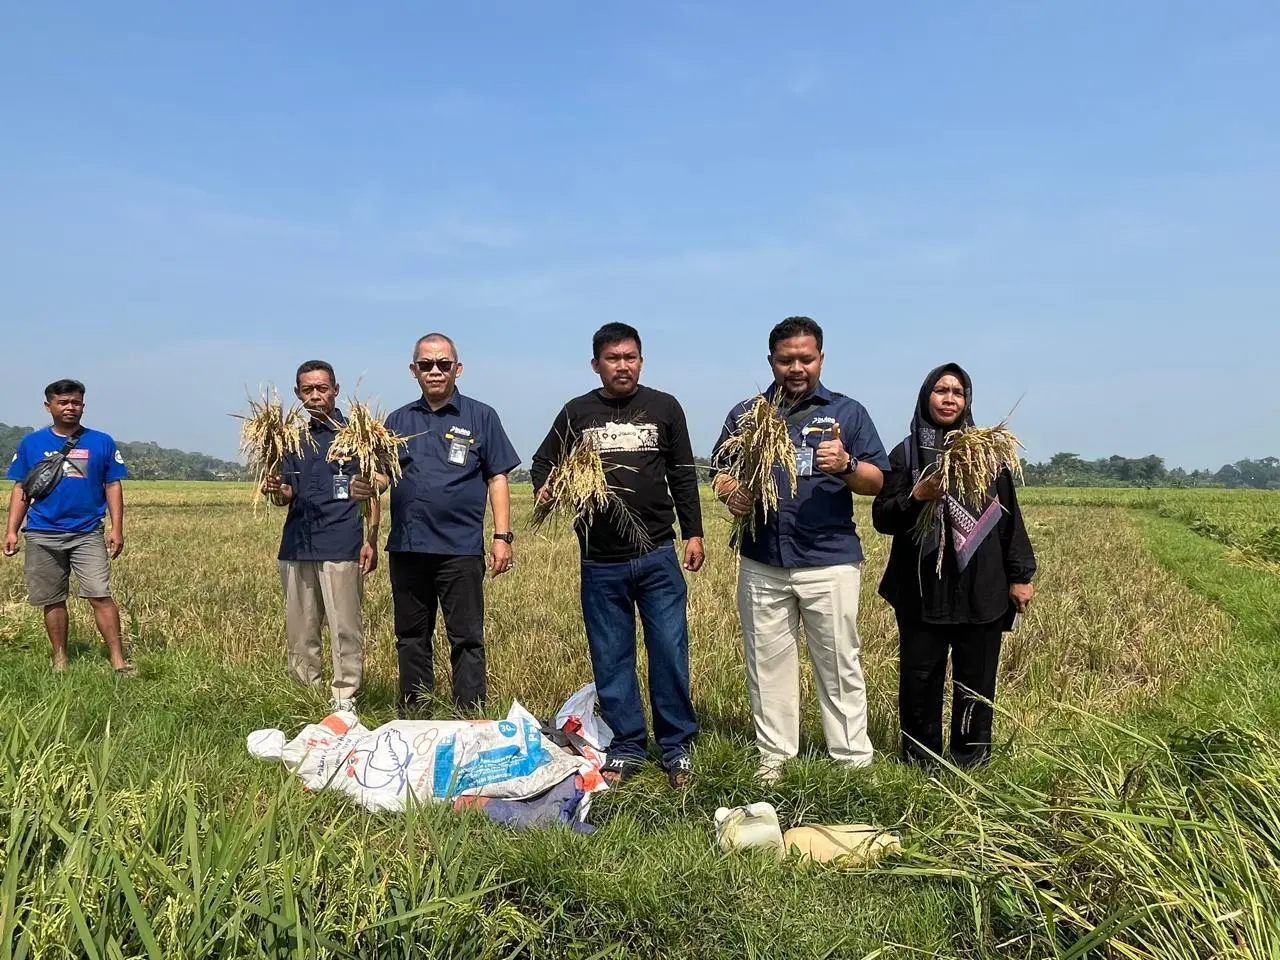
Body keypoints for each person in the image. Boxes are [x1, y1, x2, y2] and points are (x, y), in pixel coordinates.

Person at [711, 316, 889, 781]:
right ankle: (774, 761)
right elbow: (720, 472)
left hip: (828, 559)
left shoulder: (846, 412)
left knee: (839, 663)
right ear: (771, 361)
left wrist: (847, 463)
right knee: (767, 664)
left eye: (805, 359)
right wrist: (731, 493)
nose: (796, 367)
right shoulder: (747, 415)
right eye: (786, 359)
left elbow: (877, 480)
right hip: (762, 559)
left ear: (821, 359)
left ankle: (851, 763)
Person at [531, 322, 705, 790]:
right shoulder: (577, 412)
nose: (622, 366)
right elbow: (543, 462)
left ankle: (677, 745)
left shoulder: (665, 407)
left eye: (630, 357)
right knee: (612, 657)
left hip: (657, 553)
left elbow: (683, 473)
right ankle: (628, 744)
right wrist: (549, 487)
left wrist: (694, 532)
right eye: (613, 359)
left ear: (641, 361)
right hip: (600, 559)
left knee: (669, 652)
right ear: (596, 364)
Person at [871, 362, 1036, 767]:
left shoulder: (988, 455)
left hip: (981, 587)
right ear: (925, 397)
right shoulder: (905, 454)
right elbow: (883, 517)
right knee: (920, 679)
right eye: (941, 390)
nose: (949, 398)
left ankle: (970, 761)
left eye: (957, 392)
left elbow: (1009, 518)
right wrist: (918, 495)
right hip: (922, 590)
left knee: (976, 682)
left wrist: (1021, 575)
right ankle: (920, 761)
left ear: (967, 401)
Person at [353, 333, 519, 716]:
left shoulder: (481, 416)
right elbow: (382, 478)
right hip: (408, 547)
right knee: (411, 638)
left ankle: (468, 716)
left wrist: (501, 536)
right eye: (426, 365)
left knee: (466, 639)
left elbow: (497, 478)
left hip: (459, 548)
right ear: (414, 371)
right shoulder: (397, 421)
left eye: (443, 364)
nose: (435, 371)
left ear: (457, 369)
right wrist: (367, 487)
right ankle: (415, 715)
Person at [262, 361, 380, 712]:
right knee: (301, 628)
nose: (316, 395)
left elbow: (374, 489)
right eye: (308, 390)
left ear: (336, 390)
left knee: (345, 628)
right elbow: (286, 495)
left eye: (322, 388)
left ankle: (345, 697)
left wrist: (370, 539)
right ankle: (306, 693)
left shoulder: (357, 435)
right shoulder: (290, 439)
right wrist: (276, 489)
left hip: (342, 543)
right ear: (299, 394)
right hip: (297, 545)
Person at [3, 379, 134, 675]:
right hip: (41, 532)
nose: (70, 408)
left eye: (75, 402)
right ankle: (60, 659)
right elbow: (21, 488)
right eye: (63, 403)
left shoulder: (101, 442)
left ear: (83, 406)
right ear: (48, 406)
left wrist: (117, 528)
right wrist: (11, 529)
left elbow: (113, 485)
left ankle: (118, 659)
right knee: (52, 599)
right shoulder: (31, 444)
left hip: (87, 532)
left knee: (100, 594)